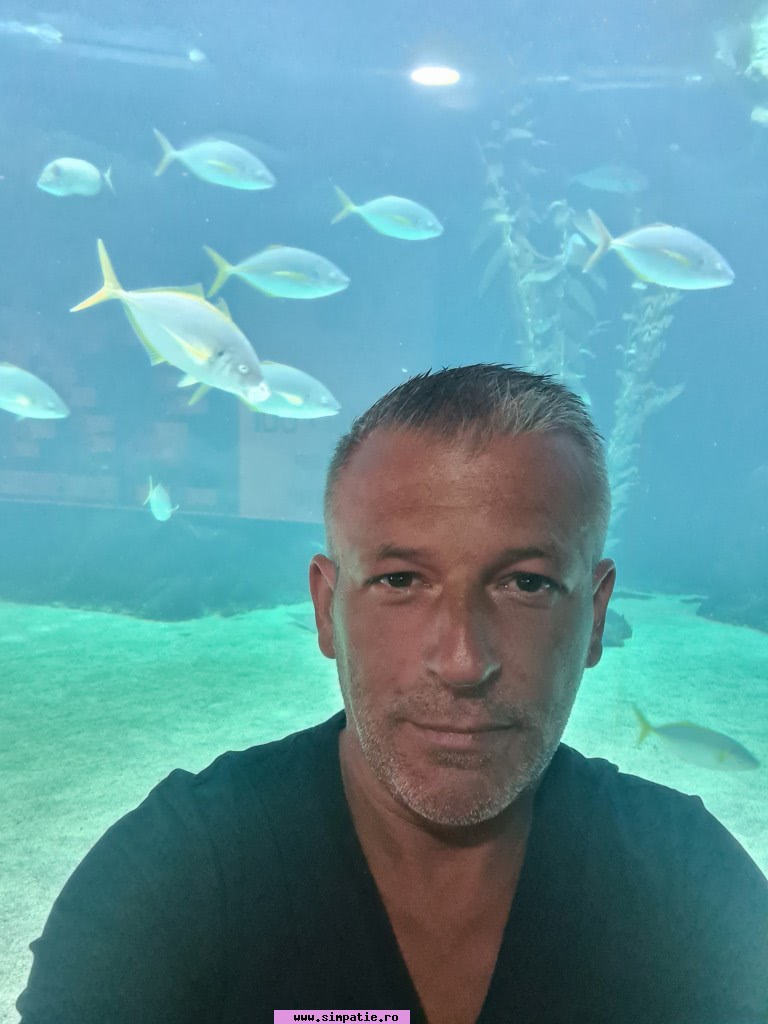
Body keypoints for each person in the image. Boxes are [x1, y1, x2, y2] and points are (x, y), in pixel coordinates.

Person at [17, 363, 768, 1024]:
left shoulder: (694, 891)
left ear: (596, 617)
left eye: (527, 584)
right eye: (401, 580)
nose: (463, 661)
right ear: (327, 610)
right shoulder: (173, 879)